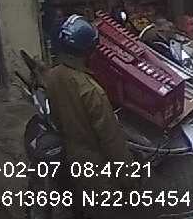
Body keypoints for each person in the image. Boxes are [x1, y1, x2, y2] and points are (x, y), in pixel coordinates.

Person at [42, 15, 133, 213]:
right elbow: (111, 139)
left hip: (70, 158)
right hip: (95, 169)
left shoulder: (52, 77)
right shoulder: (90, 91)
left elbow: (55, 117)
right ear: (89, 50)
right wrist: (128, 177)